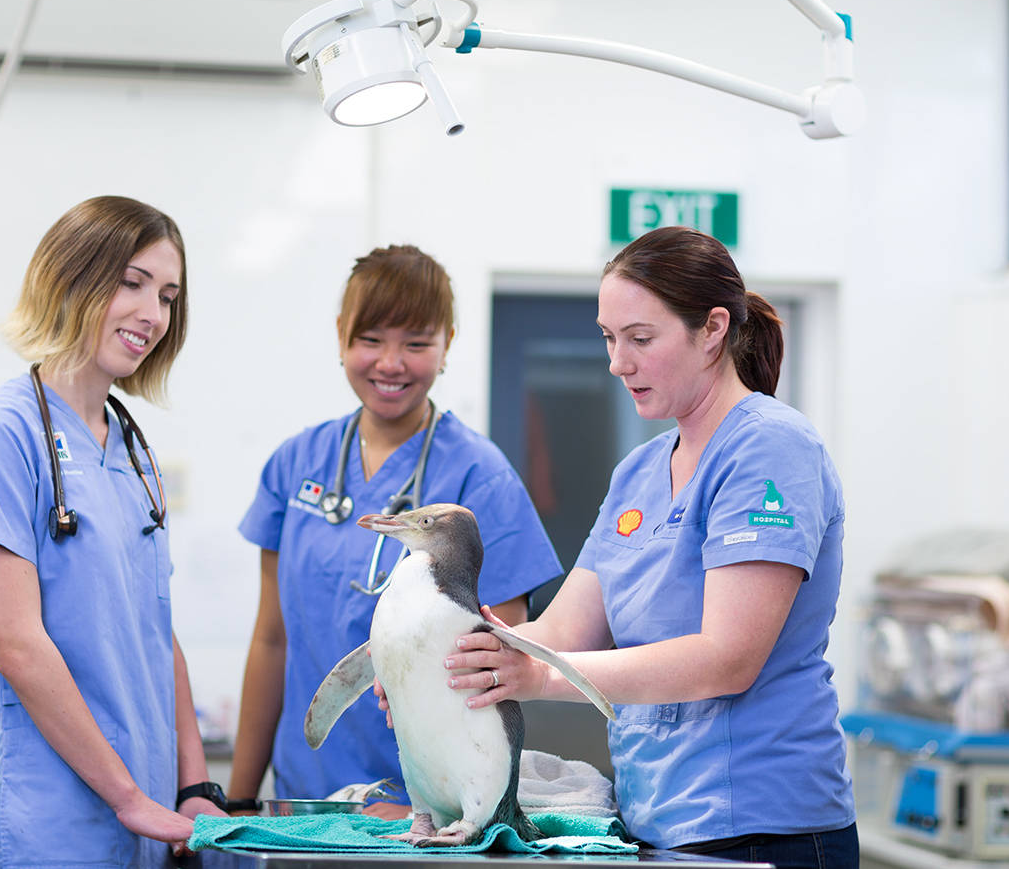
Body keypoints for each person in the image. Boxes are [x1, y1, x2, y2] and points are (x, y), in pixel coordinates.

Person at [440, 226, 858, 867]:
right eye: (609, 338)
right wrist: (460, 658)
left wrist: (538, 678)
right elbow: (560, 632)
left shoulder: (769, 447)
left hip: (764, 827)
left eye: (640, 339)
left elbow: (729, 658)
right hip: (655, 821)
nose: (617, 362)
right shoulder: (638, 471)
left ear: (713, 329)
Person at [0, 196, 226, 868]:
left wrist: (191, 785)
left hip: (146, 819)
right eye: (131, 283)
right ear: (68, 277)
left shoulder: (130, 446)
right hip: (48, 822)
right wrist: (127, 797)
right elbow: (17, 645)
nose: (153, 315)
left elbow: (158, 630)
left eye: (167, 295)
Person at [229, 244, 562, 818]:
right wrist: (235, 799)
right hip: (305, 797)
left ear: (448, 344)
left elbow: (496, 663)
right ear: (341, 336)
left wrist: (440, 795)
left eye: (416, 342)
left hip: (429, 810)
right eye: (371, 339)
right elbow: (271, 640)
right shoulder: (296, 464)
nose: (391, 362)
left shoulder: (480, 479)